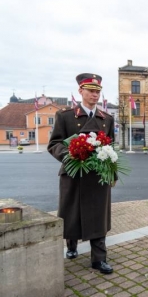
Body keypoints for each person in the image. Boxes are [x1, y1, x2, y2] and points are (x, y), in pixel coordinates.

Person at [48, 73, 116, 274]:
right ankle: (71, 244)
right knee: (72, 212)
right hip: (74, 174)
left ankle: (99, 258)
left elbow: (112, 147)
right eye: (91, 91)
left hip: (98, 176)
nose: (95, 95)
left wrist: (112, 173)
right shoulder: (66, 116)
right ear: (81, 91)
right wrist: (71, 154)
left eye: (98, 92)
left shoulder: (107, 119)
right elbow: (54, 143)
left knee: (98, 215)